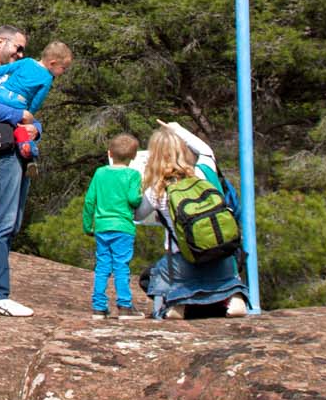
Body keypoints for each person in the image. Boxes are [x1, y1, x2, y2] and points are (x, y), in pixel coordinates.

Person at [0, 30, 72, 317]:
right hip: (0, 150)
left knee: (13, 221)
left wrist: (36, 128)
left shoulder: (11, 73)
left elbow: (29, 113)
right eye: (17, 49)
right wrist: (21, 117)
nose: (20, 55)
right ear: (0, 43)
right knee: (3, 220)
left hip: (16, 147)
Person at [137, 121, 250, 320]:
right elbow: (206, 150)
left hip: (183, 263)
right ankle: (234, 295)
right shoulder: (205, 171)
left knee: (153, 275)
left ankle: (174, 304)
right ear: (184, 150)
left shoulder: (157, 189)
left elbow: (137, 215)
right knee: (221, 277)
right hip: (222, 257)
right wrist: (178, 128)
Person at [82, 133, 143, 319]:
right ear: (134, 156)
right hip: (123, 227)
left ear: (109, 153)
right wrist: (140, 195)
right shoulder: (133, 175)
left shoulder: (100, 173)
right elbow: (134, 199)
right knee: (121, 266)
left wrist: (87, 225)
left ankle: (99, 307)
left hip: (102, 226)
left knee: (102, 266)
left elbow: (89, 201)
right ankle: (125, 306)